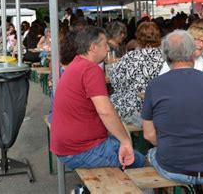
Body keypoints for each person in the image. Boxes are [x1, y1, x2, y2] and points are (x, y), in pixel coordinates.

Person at [142, 30, 203, 194]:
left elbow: (148, 135)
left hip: (173, 165)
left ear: (166, 54)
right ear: (192, 52)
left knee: (150, 155)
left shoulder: (155, 85)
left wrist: (173, 146)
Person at [50, 26, 145, 170]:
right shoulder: (91, 69)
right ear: (93, 47)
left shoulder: (76, 64)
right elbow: (105, 111)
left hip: (70, 145)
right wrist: (125, 141)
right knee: (139, 161)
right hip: (80, 150)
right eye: (105, 44)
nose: (107, 49)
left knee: (121, 146)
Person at [110, 22, 164, 126]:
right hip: (158, 108)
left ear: (138, 38)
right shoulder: (166, 58)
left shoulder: (129, 57)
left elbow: (115, 81)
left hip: (131, 109)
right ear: (158, 37)